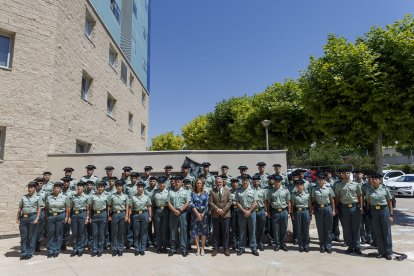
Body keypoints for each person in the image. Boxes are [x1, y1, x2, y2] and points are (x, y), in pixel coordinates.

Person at [334, 168, 363, 255]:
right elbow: (337, 197)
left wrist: (361, 207)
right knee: (346, 228)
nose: (346, 175)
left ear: (349, 174)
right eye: (344, 173)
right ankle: (350, 246)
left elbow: (360, 196)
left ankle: (357, 246)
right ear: (341, 175)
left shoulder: (356, 184)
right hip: (344, 208)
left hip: (354, 207)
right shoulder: (338, 185)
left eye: (347, 173)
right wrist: (336, 208)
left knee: (356, 227)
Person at [366, 173, 393, 260]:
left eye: (375, 179)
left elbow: (390, 203)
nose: (373, 180)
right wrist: (369, 212)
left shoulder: (385, 189)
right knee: (378, 232)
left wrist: (391, 215)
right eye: (372, 179)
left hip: (384, 210)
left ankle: (388, 252)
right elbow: (368, 202)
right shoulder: (369, 190)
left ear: (379, 180)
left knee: (386, 232)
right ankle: (381, 252)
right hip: (374, 211)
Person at [16, 182, 42, 260]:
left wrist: (37, 218)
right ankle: (24, 253)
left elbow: (39, 208)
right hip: (24, 218)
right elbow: (20, 208)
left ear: (35, 189)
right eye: (29, 188)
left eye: (31, 188)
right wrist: (17, 218)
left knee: (32, 236)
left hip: (32, 217)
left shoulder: (38, 197)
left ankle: (30, 253)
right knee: (24, 236)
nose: (29, 189)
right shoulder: (24, 197)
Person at [311, 172, 335, 253]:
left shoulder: (329, 188)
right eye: (319, 180)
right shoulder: (314, 189)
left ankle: (328, 246)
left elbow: (332, 200)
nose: (321, 181)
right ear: (317, 180)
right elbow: (313, 200)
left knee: (328, 228)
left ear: (324, 180)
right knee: (320, 228)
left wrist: (333, 210)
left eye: (322, 180)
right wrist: (313, 209)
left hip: (327, 208)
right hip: (318, 209)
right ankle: (322, 245)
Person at [235, 174, 259, 256]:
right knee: (242, 231)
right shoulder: (238, 191)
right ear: (241, 181)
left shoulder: (253, 190)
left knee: (252, 230)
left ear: (248, 181)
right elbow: (237, 202)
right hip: (242, 213)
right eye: (243, 180)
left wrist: (249, 211)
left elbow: (256, 202)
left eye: (246, 180)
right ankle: (241, 248)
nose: (245, 181)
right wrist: (244, 211)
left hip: (251, 212)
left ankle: (253, 248)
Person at [45, 182, 70, 258]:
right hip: (51, 216)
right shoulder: (49, 197)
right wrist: (46, 216)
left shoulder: (65, 197)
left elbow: (67, 208)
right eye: (54, 188)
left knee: (59, 234)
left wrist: (66, 217)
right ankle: (50, 250)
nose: (56, 189)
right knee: (50, 233)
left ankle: (56, 250)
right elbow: (46, 207)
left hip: (60, 216)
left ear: (60, 189)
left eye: (58, 188)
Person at [167, 175, 190, 257]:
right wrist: (174, 210)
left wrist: (180, 210)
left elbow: (187, 203)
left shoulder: (186, 192)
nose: (176, 183)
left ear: (181, 183)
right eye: (175, 182)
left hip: (183, 213)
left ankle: (184, 249)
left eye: (178, 182)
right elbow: (168, 203)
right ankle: (173, 248)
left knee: (183, 231)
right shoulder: (170, 192)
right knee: (173, 231)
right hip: (173, 213)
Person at [266, 175, 290, 251]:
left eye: (278, 182)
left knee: (284, 228)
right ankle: (277, 244)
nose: (277, 183)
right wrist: (268, 212)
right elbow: (268, 203)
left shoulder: (285, 190)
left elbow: (288, 202)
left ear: (281, 182)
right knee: (276, 229)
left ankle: (283, 243)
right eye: (275, 182)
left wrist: (289, 212)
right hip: (275, 212)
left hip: (284, 211)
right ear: (274, 182)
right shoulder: (271, 191)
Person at [209, 177, 231, 256]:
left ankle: (226, 248)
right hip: (215, 214)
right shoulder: (212, 191)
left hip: (225, 215)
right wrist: (218, 209)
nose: (218, 183)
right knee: (215, 232)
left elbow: (230, 201)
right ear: (215, 183)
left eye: (220, 182)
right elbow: (210, 202)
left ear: (222, 182)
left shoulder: (227, 191)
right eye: (217, 182)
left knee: (226, 232)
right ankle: (215, 248)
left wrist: (223, 210)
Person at [107, 180, 130, 256]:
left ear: (122, 187)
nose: (119, 187)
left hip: (122, 214)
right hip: (115, 214)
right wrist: (109, 216)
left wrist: (127, 216)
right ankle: (114, 248)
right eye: (118, 186)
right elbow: (109, 206)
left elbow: (127, 207)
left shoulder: (125, 196)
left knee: (121, 232)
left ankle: (120, 249)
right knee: (114, 232)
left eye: (120, 186)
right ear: (116, 187)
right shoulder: (112, 196)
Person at [130, 181, 152, 256]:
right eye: (138, 187)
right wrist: (129, 216)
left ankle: (142, 248)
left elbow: (149, 207)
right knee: (136, 233)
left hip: (144, 214)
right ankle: (137, 248)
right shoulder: (133, 197)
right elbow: (131, 208)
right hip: (136, 215)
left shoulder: (147, 197)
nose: (140, 188)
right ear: (137, 188)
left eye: (141, 187)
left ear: (143, 188)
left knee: (143, 233)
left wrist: (149, 216)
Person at [69, 182, 89, 257]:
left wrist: (87, 217)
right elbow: (70, 207)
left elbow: (88, 209)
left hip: (82, 214)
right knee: (75, 233)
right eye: (78, 187)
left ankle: (80, 249)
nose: (79, 188)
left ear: (83, 188)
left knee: (81, 233)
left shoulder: (86, 197)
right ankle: (75, 249)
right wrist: (69, 217)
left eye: (81, 187)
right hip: (74, 215)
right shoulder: (73, 197)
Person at [291, 179, 312, 253]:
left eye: (301, 185)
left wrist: (310, 214)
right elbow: (292, 206)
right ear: (296, 186)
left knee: (306, 229)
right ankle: (301, 246)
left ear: (303, 186)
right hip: (297, 212)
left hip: (305, 211)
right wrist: (292, 214)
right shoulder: (293, 195)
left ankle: (306, 245)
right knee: (299, 230)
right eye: (298, 185)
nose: (299, 186)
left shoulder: (307, 194)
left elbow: (310, 205)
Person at [88, 182, 108, 257]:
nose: (100, 188)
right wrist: (89, 217)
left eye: (102, 187)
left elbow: (108, 206)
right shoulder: (93, 196)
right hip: (95, 214)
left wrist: (108, 216)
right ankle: (94, 249)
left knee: (101, 233)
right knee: (95, 233)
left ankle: (100, 249)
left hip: (103, 214)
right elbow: (89, 208)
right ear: (97, 188)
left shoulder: (106, 196)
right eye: (99, 187)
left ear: (104, 188)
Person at [191, 178, 209, 256]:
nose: (198, 184)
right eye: (197, 183)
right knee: (196, 232)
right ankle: (198, 248)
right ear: (195, 184)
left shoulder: (206, 193)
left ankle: (203, 248)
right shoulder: (192, 193)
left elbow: (207, 204)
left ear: (202, 184)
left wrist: (203, 213)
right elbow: (191, 204)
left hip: (204, 216)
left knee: (204, 232)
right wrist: (197, 214)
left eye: (200, 183)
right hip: (195, 215)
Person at [152, 176, 170, 253]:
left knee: (164, 230)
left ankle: (165, 246)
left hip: (166, 210)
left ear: (165, 183)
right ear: (158, 184)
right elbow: (152, 202)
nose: (161, 184)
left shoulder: (168, 192)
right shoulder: (155, 192)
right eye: (160, 183)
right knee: (158, 230)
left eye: (163, 183)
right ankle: (159, 247)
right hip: (158, 210)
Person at [252, 174, 267, 251]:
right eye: (254, 181)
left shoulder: (263, 191)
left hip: (261, 210)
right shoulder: (250, 190)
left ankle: (260, 242)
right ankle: (254, 243)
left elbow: (265, 201)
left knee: (261, 228)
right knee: (253, 228)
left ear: (259, 182)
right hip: (253, 211)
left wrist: (266, 211)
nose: (255, 182)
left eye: (257, 181)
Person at [61, 177, 74, 251]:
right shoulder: (60, 191)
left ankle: (65, 243)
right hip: (62, 211)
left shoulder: (72, 192)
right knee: (60, 228)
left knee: (67, 228)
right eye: (65, 182)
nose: (66, 183)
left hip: (70, 212)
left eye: (67, 182)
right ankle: (60, 243)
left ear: (69, 183)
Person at [34, 177, 46, 252]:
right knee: (33, 229)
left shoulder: (45, 193)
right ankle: (32, 245)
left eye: (41, 183)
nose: (39, 184)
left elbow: (47, 204)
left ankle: (38, 245)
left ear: (43, 184)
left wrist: (45, 214)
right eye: (38, 183)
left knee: (40, 229)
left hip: (41, 212)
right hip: (33, 212)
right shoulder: (32, 191)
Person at [145, 176, 158, 247]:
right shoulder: (146, 190)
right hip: (148, 209)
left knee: (156, 226)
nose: (152, 182)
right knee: (148, 226)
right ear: (149, 182)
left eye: (153, 181)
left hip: (156, 209)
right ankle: (149, 240)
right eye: (151, 181)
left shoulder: (158, 190)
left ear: (156, 182)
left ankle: (155, 240)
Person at [229, 178, 240, 250]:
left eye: (236, 183)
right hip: (232, 209)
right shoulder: (229, 192)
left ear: (238, 184)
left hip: (239, 209)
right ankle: (234, 243)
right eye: (233, 183)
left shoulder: (240, 191)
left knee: (239, 227)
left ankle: (239, 243)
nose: (234, 184)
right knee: (233, 227)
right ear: (231, 184)